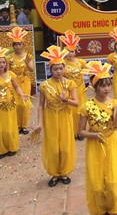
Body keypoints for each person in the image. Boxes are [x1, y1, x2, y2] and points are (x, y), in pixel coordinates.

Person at [79, 61, 117, 215]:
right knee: (97, 183)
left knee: (112, 182)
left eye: (108, 84)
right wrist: (93, 135)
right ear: (94, 87)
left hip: (111, 143)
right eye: (102, 85)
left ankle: (113, 208)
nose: (107, 88)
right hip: (94, 146)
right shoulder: (86, 106)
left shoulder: (113, 103)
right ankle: (100, 209)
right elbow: (80, 131)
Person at [34, 46, 78, 187]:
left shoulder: (70, 83)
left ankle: (64, 171)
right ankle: (54, 173)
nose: (59, 71)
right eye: (55, 69)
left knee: (65, 146)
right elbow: (41, 105)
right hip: (51, 118)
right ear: (50, 70)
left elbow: (77, 103)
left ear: (64, 68)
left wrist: (66, 100)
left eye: (61, 68)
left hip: (65, 117)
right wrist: (40, 123)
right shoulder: (45, 85)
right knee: (53, 147)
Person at [0, 47, 28, 159]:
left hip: (10, 106)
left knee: (9, 128)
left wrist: (21, 94)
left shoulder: (11, 74)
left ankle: (11, 147)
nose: (2, 65)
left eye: (3, 62)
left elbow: (16, 87)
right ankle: (0, 150)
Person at [6, 27, 34, 135]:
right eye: (15, 44)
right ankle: (17, 125)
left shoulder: (28, 56)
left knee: (24, 103)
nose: (18, 46)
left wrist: (27, 63)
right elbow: (7, 71)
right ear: (13, 46)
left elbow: (31, 70)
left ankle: (24, 126)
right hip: (14, 82)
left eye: (19, 44)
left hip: (25, 81)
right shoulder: (9, 57)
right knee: (16, 103)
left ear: (23, 45)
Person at [60, 30, 87, 140]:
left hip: (80, 88)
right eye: (67, 51)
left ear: (75, 51)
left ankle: (81, 131)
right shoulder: (61, 63)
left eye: (72, 51)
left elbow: (91, 73)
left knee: (81, 110)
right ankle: (71, 131)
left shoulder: (81, 62)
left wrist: (93, 84)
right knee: (70, 110)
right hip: (68, 90)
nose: (70, 53)